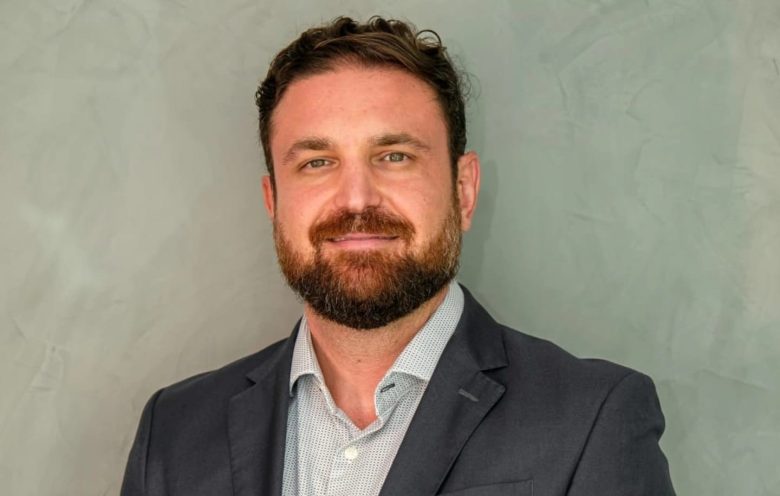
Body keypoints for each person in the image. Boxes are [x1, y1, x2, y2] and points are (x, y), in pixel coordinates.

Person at [121, 16, 675, 496]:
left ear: (463, 191)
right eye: (317, 162)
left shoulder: (591, 420)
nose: (356, 199)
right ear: (274, 203)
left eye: (394, 156)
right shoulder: (173, 432)